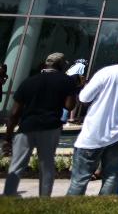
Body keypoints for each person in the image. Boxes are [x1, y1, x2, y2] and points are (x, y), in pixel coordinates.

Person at [66, 45, 118, 196]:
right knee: (112, 176)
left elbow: (84, 97)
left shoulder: (106, 72)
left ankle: (71, 207)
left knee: (80, 178)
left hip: (94, 131)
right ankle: (104, 207)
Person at [4, 52, 78, 197]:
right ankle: (43, 200)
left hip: (26, 127)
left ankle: (8, 197)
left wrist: (8, 136)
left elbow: (14, 113)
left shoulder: (29, 81)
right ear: (61, 65)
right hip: (50, 127)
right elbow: (69, 106)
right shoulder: (66, 81)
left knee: (17, 165)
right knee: (46, 165)